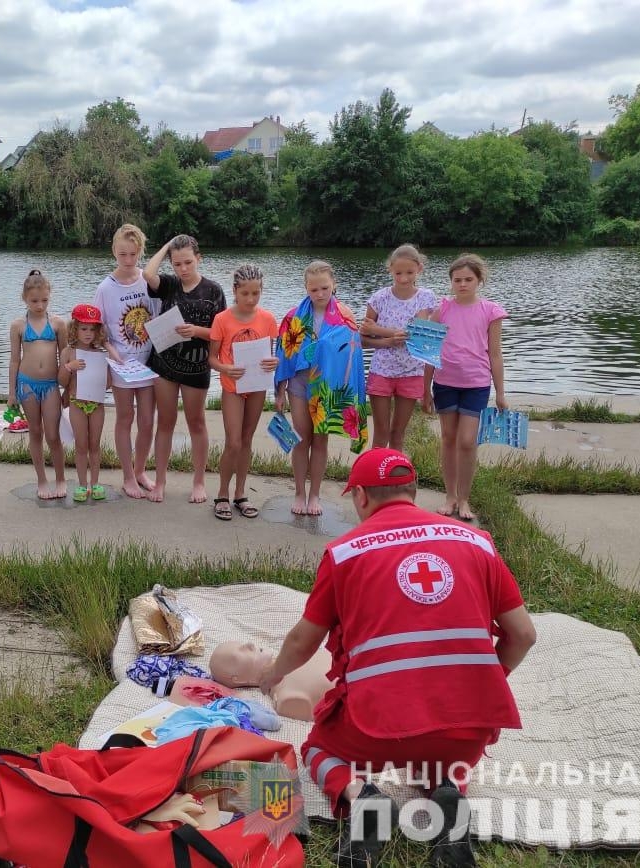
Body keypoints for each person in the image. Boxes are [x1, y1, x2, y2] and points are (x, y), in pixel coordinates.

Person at [261, 448, 535, 868]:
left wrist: (272, 674)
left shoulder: (345, 553)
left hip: (377, 727)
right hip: (462, 728)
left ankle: (365, 799)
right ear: (413, 491)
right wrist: (486, 680)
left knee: (317, 749)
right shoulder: (477, 541)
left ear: (361, 498)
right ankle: (447, 792)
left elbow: (303, 642)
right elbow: (523, 635)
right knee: (445, 757)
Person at [273, 261, 368, 517]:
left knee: (321, 438)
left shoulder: (345, 316)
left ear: (333, 285)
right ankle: (299, 493)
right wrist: (279, 391)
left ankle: (315, 493)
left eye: (325, 288)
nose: (320, 294)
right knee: (302, 437)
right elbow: (283, 354)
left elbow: (352, 357)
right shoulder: (293, 316)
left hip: (327, 385)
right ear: (306, 288)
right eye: (314, 289)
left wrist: (351, 393)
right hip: (299, 382)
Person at [422, 254, 507, 522]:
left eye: (468, 279)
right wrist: (425, 390)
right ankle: (450, 495)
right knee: (448, 438)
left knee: (468, 441)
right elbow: (429, 351)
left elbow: (495, 354)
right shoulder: (443, 309)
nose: (462, 284)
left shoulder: (491, 311)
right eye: (457, 280)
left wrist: (501, 393)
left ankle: (464, 497)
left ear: (479, 280)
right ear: (451, 282)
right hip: (445, 382)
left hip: (476, 383)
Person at [142, 235, 227, 504]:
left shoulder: (214, 291)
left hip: (197, 366)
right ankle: (160, 482)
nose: (183, 269)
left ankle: (199, 481)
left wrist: (197, 331)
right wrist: (168, 244)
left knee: (196, 422)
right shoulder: (168, 285)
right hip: (164, 364)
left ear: (199, 259)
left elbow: (222, 332)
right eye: (177, 264)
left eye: (188, 262)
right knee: (165, 422)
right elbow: (146, 273)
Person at [92, 223, 159, 499]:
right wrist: (110, 350)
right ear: (114, 252)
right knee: (125, 418)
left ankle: (141, 469)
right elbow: (97, 328)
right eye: (123, 255)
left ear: (140, 252)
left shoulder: (149, 280)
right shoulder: (105, 288)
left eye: (133, 254)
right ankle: (127, 476)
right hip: (121, 365)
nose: (128, 261)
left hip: (149, 363)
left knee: (146, 420)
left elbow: (159, 315)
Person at [207, 264, 278, 520]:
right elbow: (212, 359)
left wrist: (274, 362)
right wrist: (226, 368)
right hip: (233, 387)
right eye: (245, 293)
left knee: (247, 441)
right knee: (233, 442)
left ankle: (240, 494)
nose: (250, 299)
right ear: (234, 290)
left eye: (255, 294)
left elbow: (272, 354)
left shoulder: (268, 319)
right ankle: (222, 494)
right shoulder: (222, 319)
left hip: (257, 386)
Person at [361, 244, 437, 451]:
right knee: (381, 434)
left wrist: (381, 329)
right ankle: (375, 479)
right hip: (381, 371)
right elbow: (362, 338)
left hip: (412, 372)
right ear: (390, 270)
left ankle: (393, 478)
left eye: (409, 273)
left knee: (398, 434)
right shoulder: (379, 298)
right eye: (398, 273)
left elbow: (418, 334)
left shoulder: (425, 297)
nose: (403, 278)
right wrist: (387, 340)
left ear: (419, 269)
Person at [9, 269, 67, 500]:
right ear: (24, 299)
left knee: (53, 435)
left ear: (50, 296)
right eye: (34, 301)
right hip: (27, 385)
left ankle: (61, 478)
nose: (40, 305)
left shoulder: (58, 324)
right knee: (35, 431)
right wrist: (11, 393)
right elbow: (14, 360)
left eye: (44, 300)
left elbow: (66, 358)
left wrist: (69, 388)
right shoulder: (18, 326)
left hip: (51, 385)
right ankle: (42, 480)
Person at [59, 303, 110, 503]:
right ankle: (81, 484)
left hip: (96, 404)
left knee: (94, 445)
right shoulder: (68, 352)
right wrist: (69, 368)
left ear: (98, 331)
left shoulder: (100, 354)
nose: (88, 333)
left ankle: (95, 483)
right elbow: (61, 381)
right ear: (75, 329)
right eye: (83, 328)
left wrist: (104, 372)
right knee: (81, 445)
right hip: (76, 404)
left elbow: (108, 384)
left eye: (92, 329)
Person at [209, 639, 333, 722]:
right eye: (240, 651)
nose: (250, 644)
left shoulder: (294, 651)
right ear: (238, 679)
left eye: (242, 644)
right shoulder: (287, 697)